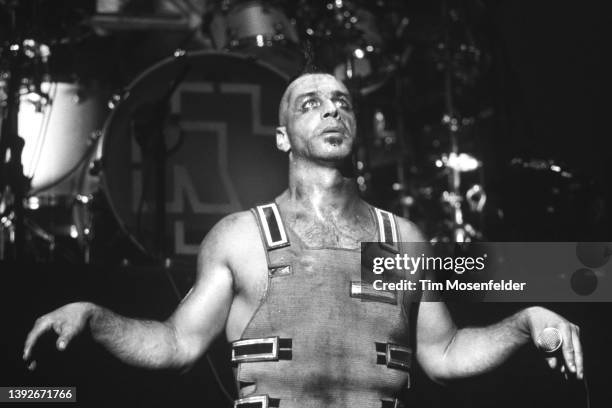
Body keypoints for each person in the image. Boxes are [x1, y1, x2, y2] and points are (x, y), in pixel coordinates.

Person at [23, 73, 583, 407]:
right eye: (309, 104)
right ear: (282, 136)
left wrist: (525, 320)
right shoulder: (241, 237)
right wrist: (96, 317)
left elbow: (444, 353)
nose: (331, 109)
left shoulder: (400, 240)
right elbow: (176, 345)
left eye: (342, 102)